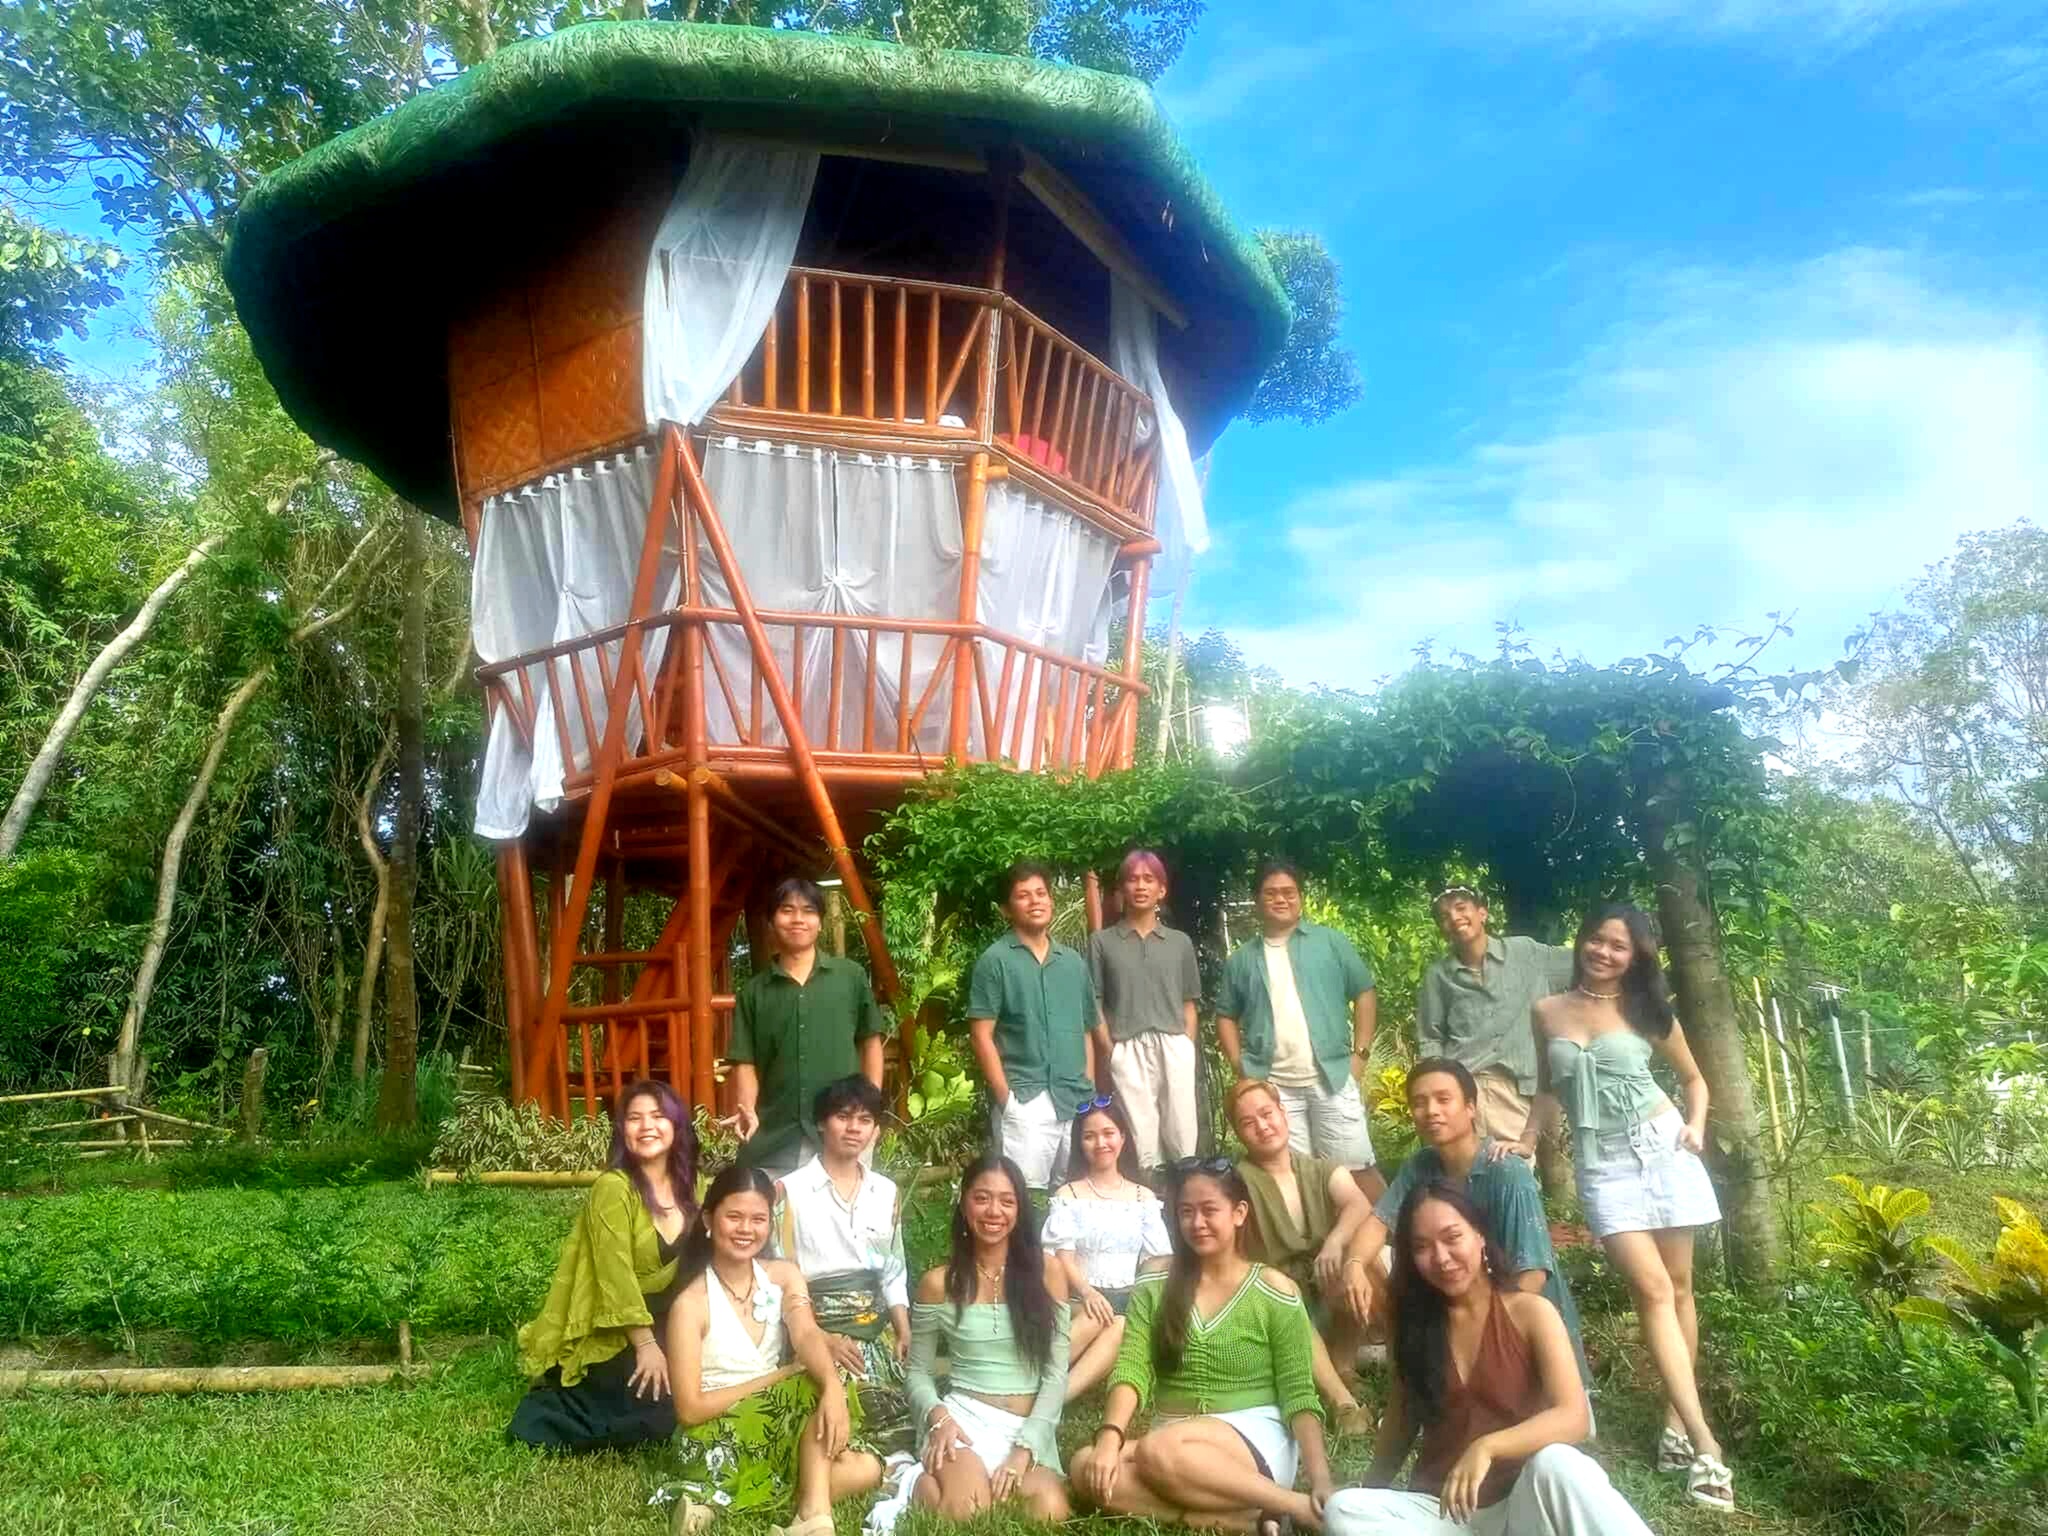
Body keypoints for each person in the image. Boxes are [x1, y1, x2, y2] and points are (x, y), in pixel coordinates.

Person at [1510, 902, 1731, 1511]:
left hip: (1662, 1148)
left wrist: (1697, 1126)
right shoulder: (1547, 1011)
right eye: (1597, 941)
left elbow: (1695, 1079)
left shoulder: (1645, 1010)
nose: (1604, 953)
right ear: (1582, 942)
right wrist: (1526, 1141)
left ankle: (1677, 1425)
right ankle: (1708, 1443)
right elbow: (1548, 1087)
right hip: (1602, 1165)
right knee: (1655, 1291)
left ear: (1634, 957)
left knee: (1680, 1289)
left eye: (1619, 946)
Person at [1321, 1182, 1655, 1536]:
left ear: (1480, 1236)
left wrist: (1488, 1447)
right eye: (1422, 1247)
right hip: (1445, 1515)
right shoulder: (1413, 1328)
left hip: (1523, 1506)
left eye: (1452, 1237)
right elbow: (1401, 1420)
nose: (1441, 1257)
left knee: (1560, 1464)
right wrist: (1373, 1490)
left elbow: (1574, 1418)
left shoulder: (1531, 1313)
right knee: (1344, 1510)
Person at [1072, 1158, 1334, 1536]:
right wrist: (1110, 1438)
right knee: (1085, 1466)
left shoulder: (1275, 1291)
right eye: (1186, 1212)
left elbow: (1299, 1395)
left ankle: (1291, 1503)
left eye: (1210, 1210)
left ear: (1239, 1213)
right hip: (1174, 1436)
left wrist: (1321, 1477)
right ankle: (1249, 1519)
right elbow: (1132, 1367)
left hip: (1253, 1437)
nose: (1197, 1223)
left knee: (1156, 1451)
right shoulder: (1156, 1280)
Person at [1341, 1058, 1590, 1391]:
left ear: (1471, 1108)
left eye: (1444, 1100)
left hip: (1521, 1327)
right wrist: (1354, 1264)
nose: (1431, 1110)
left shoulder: (1506, 1173)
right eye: (1419, 1102)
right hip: (1459, 1304)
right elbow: (1376, 1223)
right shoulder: (1421, 1167)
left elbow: (1532, 1276)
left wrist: (1476, 1333)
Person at [666, 1165, 881, 1536]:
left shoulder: (782, 1276)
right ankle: (813, 1518)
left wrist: (832, 1388)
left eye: (758, 1219)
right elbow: (689, 1409)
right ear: (708, 1219)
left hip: (774, 1429)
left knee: (870, 1468)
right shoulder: (691, 1304)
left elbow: (807, 1333)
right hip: (714, 1439)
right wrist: (779, 1378)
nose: (746, 1229)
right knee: (807, 1387)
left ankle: (713, 1508)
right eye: (734, 1217)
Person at [509, 1079, 698, 1452]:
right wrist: (646, 1345)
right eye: (634, 1118)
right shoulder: (613, 1189)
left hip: (678, 1319)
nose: (646, 1126)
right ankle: (554, 1405)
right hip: (621, 1327)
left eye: (658, 1116)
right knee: (656, 1408)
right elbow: (615, 1277)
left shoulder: (695, 1186)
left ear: (676, 1126)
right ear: (622, 1130)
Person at [883, 1154, 1071, 1527]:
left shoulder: (1047, 1272)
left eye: (1006, 1200)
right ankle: (913, 1480)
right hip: (962, 1421)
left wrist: (1025, 1449)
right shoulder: (939, 1283)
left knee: (1051, 1512)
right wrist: (939, 1418)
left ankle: (941, 1478)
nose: (993, 1211)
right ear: (964, 1202)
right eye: (982, 1198)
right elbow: (918, 1374)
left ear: (1019, 1209)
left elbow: (1055, 1375)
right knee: (969, 1512)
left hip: (1028, 1428)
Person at [1218, 859, 1380, 1191]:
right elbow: (1225, 1016)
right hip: (1274, 1088)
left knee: (1358, 1171)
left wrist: (1360, 1055)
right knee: (1295, 1179)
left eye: (1289, 892)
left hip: (1332, 1078)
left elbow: (1365, 992)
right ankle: (1316, 1243)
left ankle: (1393, 1237)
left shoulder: (1330, 943)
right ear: (1257, 899)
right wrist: (1241, 1067)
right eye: (1271, 893)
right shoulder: (1242, 960)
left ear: (1300, 897)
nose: (1281, 899)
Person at [773, 1075, 912, 1453]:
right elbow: (780, 1276)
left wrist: (902, 1328)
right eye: (843, 1117)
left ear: (876, 1129)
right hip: (815, 1327)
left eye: (865, 1119)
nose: (854, 1128)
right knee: (827, 1417)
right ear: (821, 1123)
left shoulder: (885, 1192)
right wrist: (818, 1338)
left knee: (901, 1420)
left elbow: (892, 1267)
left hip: (874, 1328)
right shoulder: (790, 1191)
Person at [1230, 1078, 1376, 1435]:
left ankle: (1344, 1365)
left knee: (1365, 1261)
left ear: (1283, 1112)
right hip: (1271, 1300)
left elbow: (1358, 1202)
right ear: (1238, 1133)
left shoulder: (1318, 1168)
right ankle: (1342, 1402)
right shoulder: (1236, 1181)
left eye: (1267, 1113)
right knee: (1285, 1295)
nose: (1263, 1126)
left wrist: (1336, 1241)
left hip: (1321, 1286)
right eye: (1249, 1122)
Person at [726, 875, 891, 1178]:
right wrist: (747, 1108)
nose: (797, 919)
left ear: (821, 921)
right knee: (776, 1222)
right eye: (787, 910)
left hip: (843, 1131)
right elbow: (745, 1062)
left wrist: (870, 1111)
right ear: (772, 921)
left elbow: (870, 1043)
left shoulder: (850, 977)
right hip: (776, 1136)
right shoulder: (754, 992)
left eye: (808, 910)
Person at [968, 860, 1096, 1189]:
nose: (1035, 901)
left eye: (1041, 893)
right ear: (1007, 910)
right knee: (1021, 1199)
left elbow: (1085, 1030)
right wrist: (1005, 1098)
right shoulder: (995, 960)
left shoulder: (1073, 962)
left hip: (1075, 1098)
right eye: (1023, 896)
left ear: (1052, 900)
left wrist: (1089, 1087)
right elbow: (981, 1034)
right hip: (1026, 1099)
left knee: (1075, 1195)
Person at [1416, 886, 1573, 1146]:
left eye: (1461, 908)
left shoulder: (1525, 952)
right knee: (1492, 1175)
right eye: (1444, 916)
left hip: (1536, 1087)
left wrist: (1640, 936)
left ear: (1482, 913)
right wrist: (1438, 1091)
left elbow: (1584, 963)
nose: (1454, 918)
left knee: (1551, 1176)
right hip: (1473, 1086)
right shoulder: (1439, 975)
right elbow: (1430, 1038)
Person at [1043, 1095, 1175, 1398]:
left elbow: (1159, 1260)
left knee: (1119, 1324)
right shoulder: (1069, 1194)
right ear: (1080, 1144)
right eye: (1089, 1136)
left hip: (1130, 1299)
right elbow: (1062, 1257)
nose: (1100, 1143)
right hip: (1080, 1296)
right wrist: (1089, 1292)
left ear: (1123, 1137)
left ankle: (1055, 1398)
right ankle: (1036, 1379)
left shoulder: (1144, 1198)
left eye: (1108, 1133)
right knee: (1095, 1315)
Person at [1087, 850, 1203, 1169]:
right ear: (1122, 888)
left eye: (1148, 879)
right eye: (1132, 879)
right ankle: (1150, 1204)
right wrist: (1110, 1049)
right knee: (1141, 1140)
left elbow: (1189, 1001)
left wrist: (1186, 1045)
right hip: (1127, 1046)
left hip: (1174, 1042)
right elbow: (1094, 1001)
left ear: (1161, 890)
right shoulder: (1102, 942)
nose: (1140, 886)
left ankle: (1186, 1199)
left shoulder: (1179, 942)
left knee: (1182, 1134)